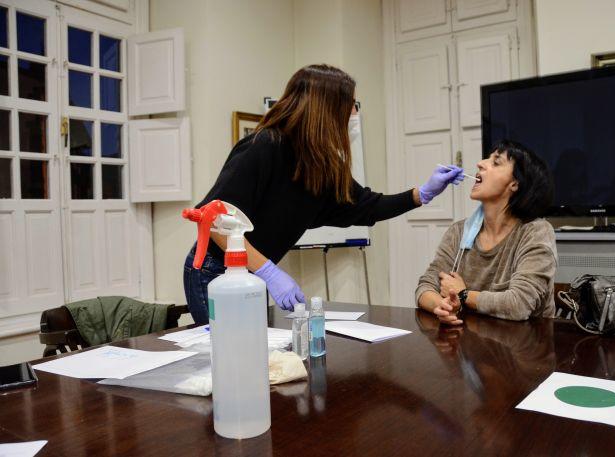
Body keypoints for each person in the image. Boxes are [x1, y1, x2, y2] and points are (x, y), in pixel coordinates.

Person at [184, 64, 465, 324]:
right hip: (214, 271)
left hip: (249, 276)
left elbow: (367, 206)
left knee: (250, 354)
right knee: (230, 355)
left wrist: (423, 193)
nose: (354, 115)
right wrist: (269, 271)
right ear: (326, 109)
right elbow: (214, 220)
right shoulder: (264, 146)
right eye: (350, 106)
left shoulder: (319, 165)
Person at [416, 140, 556, 324]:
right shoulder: (458, 232)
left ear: (514, 184)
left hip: (524, 348)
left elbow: (519, 305)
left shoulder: (536, 232)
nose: (480, 163)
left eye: (496, 162)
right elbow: (426, 286)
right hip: (469, 346)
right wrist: (442, 306)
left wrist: (464, 294)